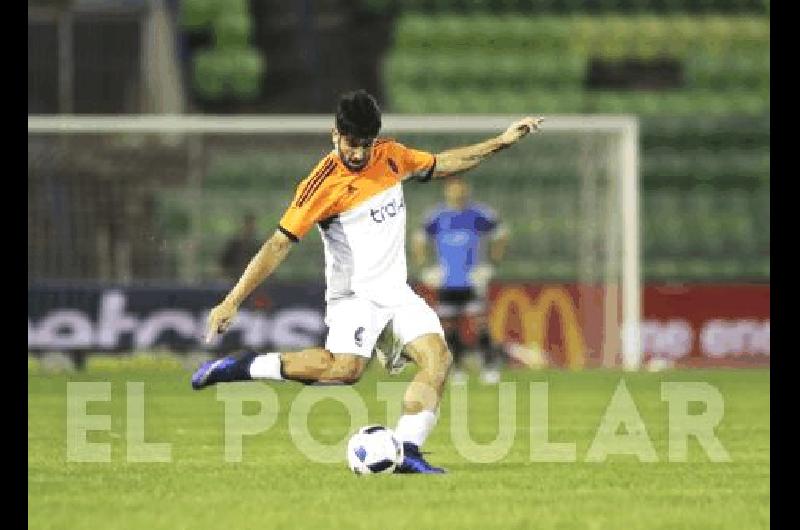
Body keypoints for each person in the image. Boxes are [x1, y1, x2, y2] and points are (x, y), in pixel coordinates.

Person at [191, 89, 543, 474]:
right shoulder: (319, 186)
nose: (358, 153)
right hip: (355, 298)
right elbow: (278, 245)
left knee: (439, 358)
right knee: (344, 371)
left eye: (366, 143)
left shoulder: (391, 156)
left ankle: (408, 449)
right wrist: (232, 300)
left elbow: (444, 163)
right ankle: (244, 367)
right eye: (351, 143)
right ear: (335, 134)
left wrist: (502, 142)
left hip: (395, 292)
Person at [412, 177, 509, 385]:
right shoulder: (437, 216)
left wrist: (491, 263)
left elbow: (501, 235)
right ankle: (456, 369)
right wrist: (425, 268)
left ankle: (489, 366)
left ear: (467, 190)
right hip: (447, 280)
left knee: (480, 324)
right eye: (453, 189)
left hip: (472, 279)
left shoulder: (480, 214)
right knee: (449, 326)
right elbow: (419, 240)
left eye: (461, 189)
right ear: (447, 192)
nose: (457, 193)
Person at [219, 213, 260, 281]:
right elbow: (223, 264)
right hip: (235, 280)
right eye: (248, 225)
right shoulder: (234, 245)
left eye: (252, 225)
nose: (250, 228)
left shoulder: (257, 246)